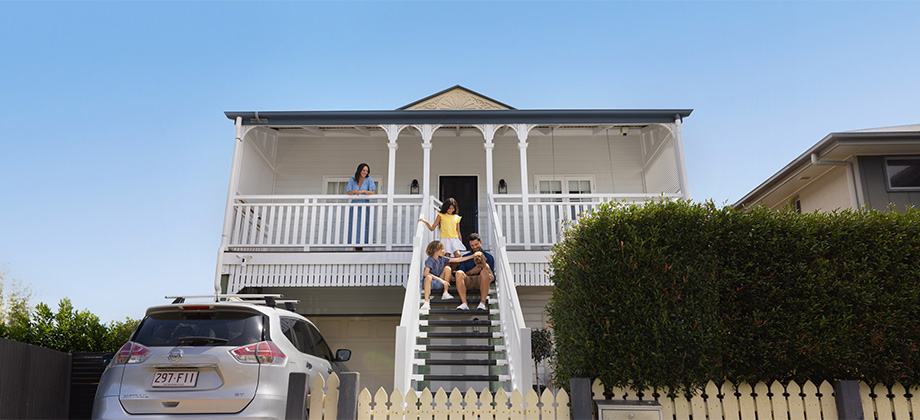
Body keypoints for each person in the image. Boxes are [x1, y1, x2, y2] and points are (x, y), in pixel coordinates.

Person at [420, 240, 482, 311]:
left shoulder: (442, 258)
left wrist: (472, 256)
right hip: (431, 283)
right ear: (435, 250)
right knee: (428, 277)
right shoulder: (430, 259)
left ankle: (445, 293)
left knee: (448, 268)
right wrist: (440, 280)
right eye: (441, 249)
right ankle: (426, 302)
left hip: (441, 282)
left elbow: (457, 260)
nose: (443, 251)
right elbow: (426, 273)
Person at [456, 233, 496, 310]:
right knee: (458, 273)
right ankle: (464, 303)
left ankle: (482, 303)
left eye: (476, 244)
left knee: (484, 272)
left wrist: (489, 276)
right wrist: (472, 272)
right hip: (468, 280)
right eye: (472, 245)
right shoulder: (465, 257)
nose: (474, 247)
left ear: (480, 242)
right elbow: (461, 273)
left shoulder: (489, 257)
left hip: (481, 280)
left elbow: (492, 276)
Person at [346, 163, 376, 249]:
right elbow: (348, 191)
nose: (365, 172)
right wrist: (354, 191)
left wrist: (363, 191)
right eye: (364, 170)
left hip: (364, 205)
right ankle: (354, 245)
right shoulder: (352, 180)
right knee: (354, 224)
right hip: (354, 205)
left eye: (367, 171)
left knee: (363, 224)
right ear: (359, 170)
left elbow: (373, 192)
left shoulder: (369, 179)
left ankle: (362, 245)